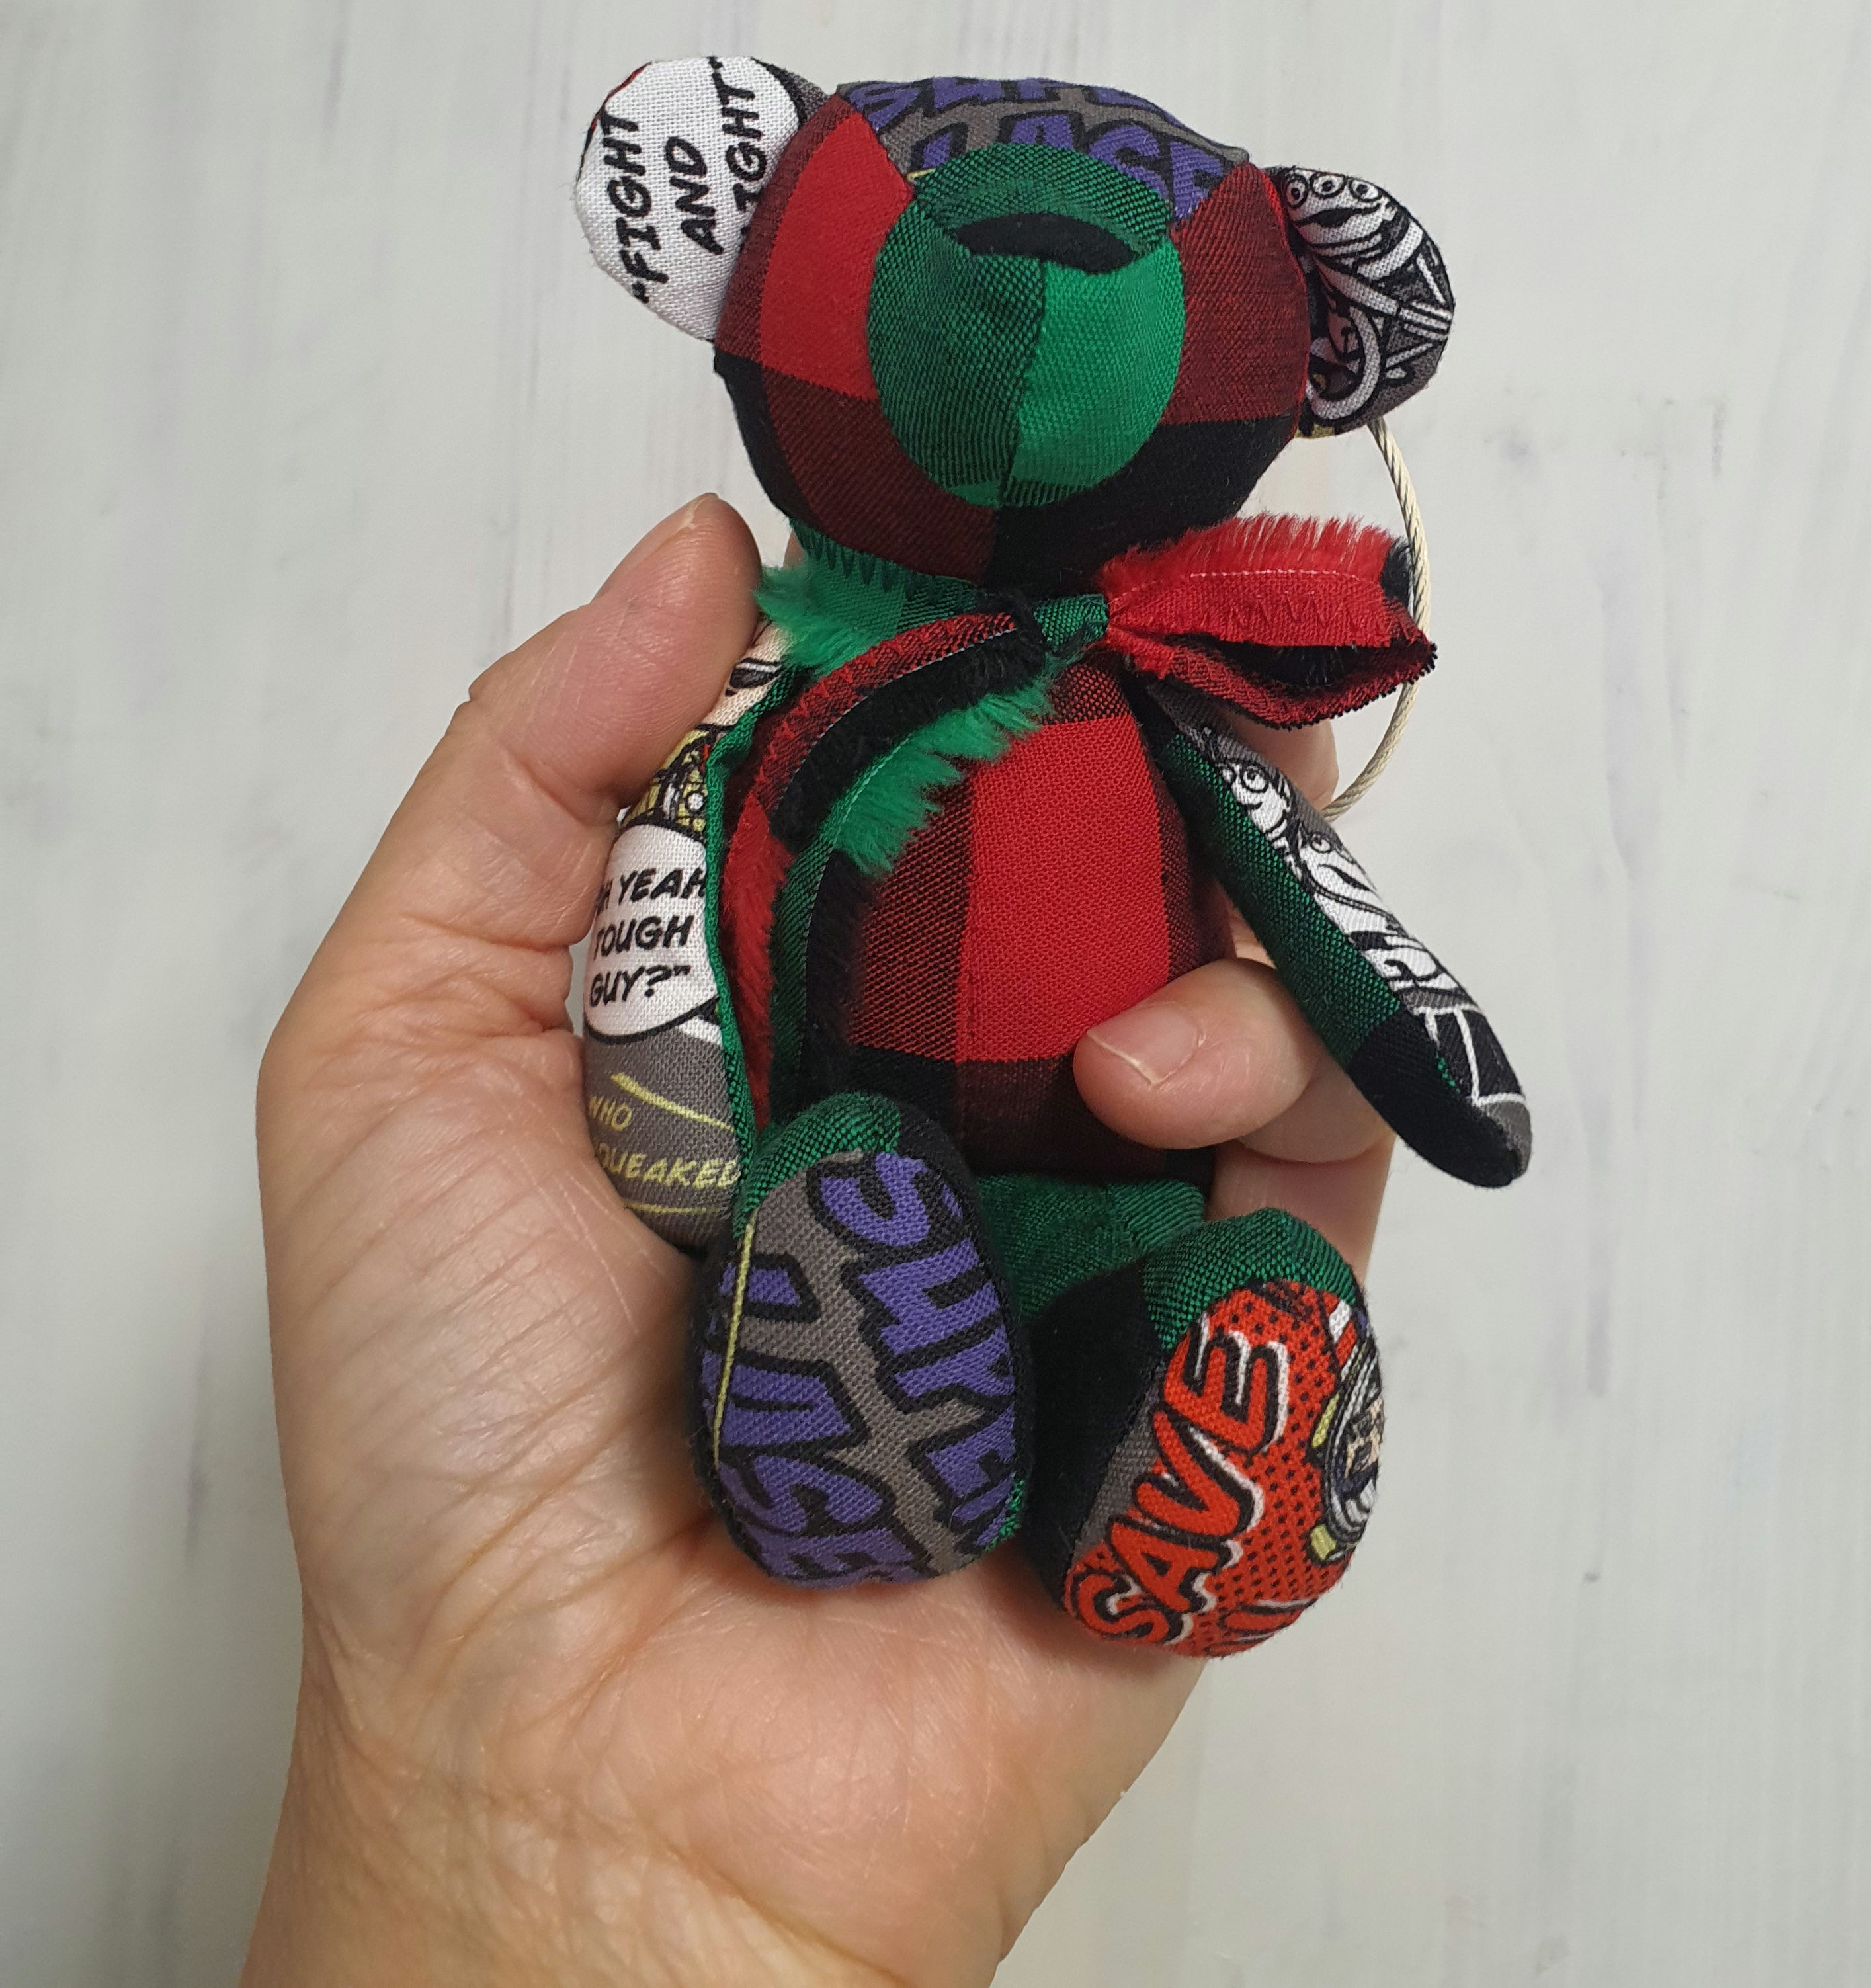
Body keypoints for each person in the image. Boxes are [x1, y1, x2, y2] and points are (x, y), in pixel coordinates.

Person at [243, 495, 1397, 1986]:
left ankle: (1162, 1398)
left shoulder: (1165, 689)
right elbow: (684, 873)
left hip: (1100, 1191)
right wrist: (678, 1149)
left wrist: (1389, 1023)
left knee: (1129, 1261)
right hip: (836, 1163)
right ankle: (920, 1353)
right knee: (859, 1196)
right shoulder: (794, 682)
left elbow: (1330, 935)